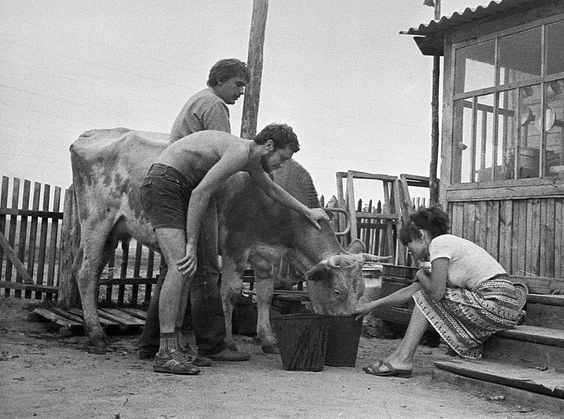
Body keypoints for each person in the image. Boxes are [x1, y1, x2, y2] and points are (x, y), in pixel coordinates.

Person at [140, 125, 330, 374]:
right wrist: (191, 245)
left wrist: (305, 210)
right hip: (165, 185)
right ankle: (165, 353)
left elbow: (271, 189)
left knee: (186, 270)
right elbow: (201, 193)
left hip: (179, 187)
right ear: (269, 146)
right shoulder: (240, 152)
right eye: (282, 158)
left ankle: (176, 348)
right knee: (180, 265)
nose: (282, 165)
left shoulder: (251, 159)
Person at [138, 59, 253, 365]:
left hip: (178, 183)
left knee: (174, 269)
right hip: (192, 188)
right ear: (220, 80)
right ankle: (212, 343)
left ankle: (151, 344)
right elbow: (221, 165)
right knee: (203, 268)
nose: (241, 92)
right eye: (238, 84)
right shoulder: (215, 105)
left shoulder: (198, 99)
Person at [355, 205, 524, 378]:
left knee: (427, 296)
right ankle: (399, 357)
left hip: (496, 301)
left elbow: (435, 293)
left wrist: (421, 274)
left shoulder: (439, 243)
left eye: (408, 244)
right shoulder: (443, 250)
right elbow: (411, 291)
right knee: (423, 295)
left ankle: (403, 358)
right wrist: (372, 305)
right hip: (503, 305)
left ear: (421, 235)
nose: (409, 250)